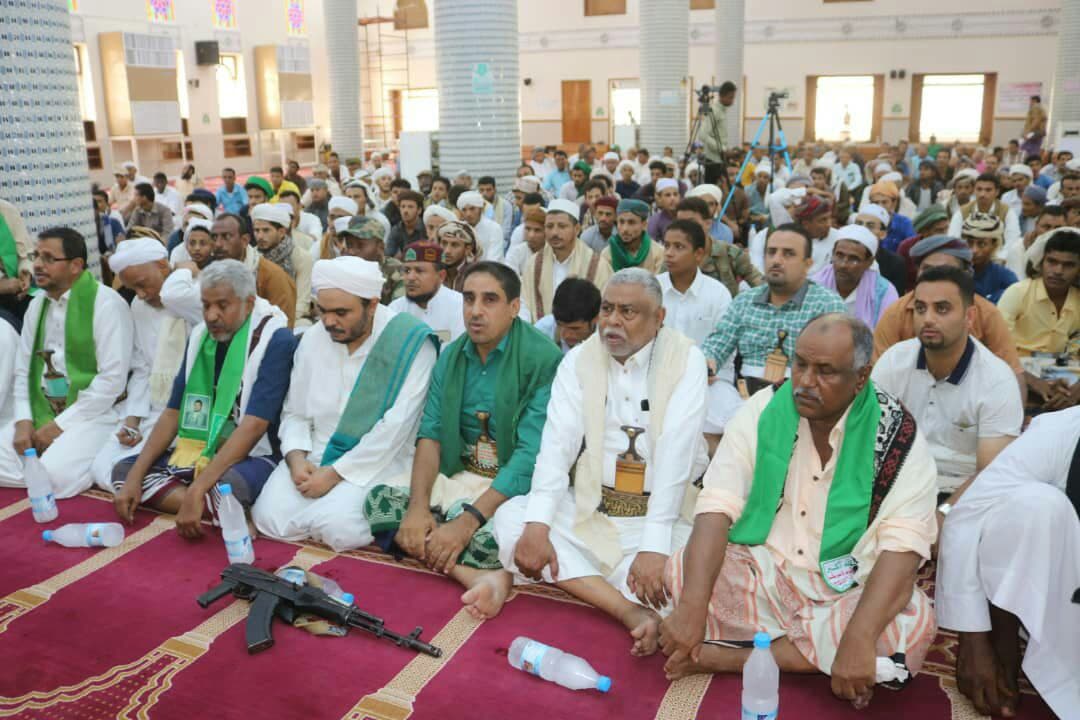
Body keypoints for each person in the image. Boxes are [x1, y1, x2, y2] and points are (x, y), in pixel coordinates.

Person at [660, 314, 938, 705]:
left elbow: (903, 549)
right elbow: (717, 504)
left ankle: (726, 657)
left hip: (850, 587)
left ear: (861, 377)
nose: (805, 381)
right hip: (766, 573)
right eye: (800, 364)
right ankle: (814, 653)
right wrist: (691, 607)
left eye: (825, 371)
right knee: (680, 572)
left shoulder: (898, 436)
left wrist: (859, 636)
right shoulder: (764, 409)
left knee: (912, 624)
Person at [494, 268, 707, 652]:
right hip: (591, 512)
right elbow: (556, 446)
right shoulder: (579, 359)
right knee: (512, 520)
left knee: (686, 581)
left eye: (628, 312)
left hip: (661, 515)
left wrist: (654, 547)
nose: (612, 321)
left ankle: (589, 580)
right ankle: (627, 609)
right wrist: (538, 525)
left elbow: (677, 457)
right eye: (607, 309)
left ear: (659, 318)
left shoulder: (685, 359)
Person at [363, 262, 562, 620]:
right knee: (380, 503)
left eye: (490, 300)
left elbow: (531, 455)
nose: (475, 311)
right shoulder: (452, 356)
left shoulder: (543, 360)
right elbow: (431, 433)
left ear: (514, 307)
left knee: (493, 539)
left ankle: (454, 548)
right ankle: (475, 574)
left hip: (513, 486)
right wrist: (418, 508)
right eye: (469, 299)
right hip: (460, 474)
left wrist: (467, 522)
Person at [253, 257, 437, 551]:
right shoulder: (313, 338)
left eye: (341, 312)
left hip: (377, 461)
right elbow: (295, 412)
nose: (329, 322)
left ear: (372, 305)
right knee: (268, 518)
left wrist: (335, 474)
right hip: (316, 454)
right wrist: (296, 459)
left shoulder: (410, 342)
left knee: (337, 528)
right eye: (322, 310)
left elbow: (396, 428)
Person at [112, 260, 295, 536]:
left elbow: (254, 426)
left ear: (248, 303)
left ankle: (207, 501)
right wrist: (135, 477)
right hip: (202, 446)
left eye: (222, 306)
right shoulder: (201, 336)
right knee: (123, 471)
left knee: (229, 486)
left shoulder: (275, 340)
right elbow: (174, 412)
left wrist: (197, 488)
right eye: (206, 305)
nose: (211, 316)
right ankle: (222, 510)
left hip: (255, 453)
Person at [935, 407, 1080, 719]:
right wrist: (973, 637)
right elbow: (968, 515)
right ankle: (1005, 636)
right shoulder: (1061, 430)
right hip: (1068, 597)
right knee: (1033, 505)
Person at [0, 227, 132, 498]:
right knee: (31, 463)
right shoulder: (37, 305)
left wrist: (59, 426)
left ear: (76, 265)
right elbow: (22, 371)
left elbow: (111, 381)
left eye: (48, 258)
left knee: (52, 476)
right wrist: (24, 420)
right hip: (43, 406)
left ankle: (77, 459)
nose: (37, 265)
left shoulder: (106, 304)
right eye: (36, 256)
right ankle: (54, 463)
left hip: (94, 412)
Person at [872, 266, 1021, 498]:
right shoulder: (894, 361)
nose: (928, 319)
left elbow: (991, 473)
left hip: (961, 493)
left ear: (969, 317)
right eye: (920, 308)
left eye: (942, 309)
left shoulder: (997, 380)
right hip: (895, 485)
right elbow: (868, 439)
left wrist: (945, 511)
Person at [90, 238, 202, 492]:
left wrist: (184, 270)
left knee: (126, 474)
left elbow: (174, 296)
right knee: (102, 469)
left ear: (163, 265)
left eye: (142, 284)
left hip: (196, 411)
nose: (140, 294)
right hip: (156, 408)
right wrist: (132, 421)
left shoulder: (194, 295)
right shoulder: (139, 306)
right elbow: (143, 368)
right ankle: (165, 485)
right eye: (132, 288)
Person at [702, 225, 846, 394]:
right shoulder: (745, 301)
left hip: (803, 395)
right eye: (771, 252)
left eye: (788, 254)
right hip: (744, 397)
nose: (776, 260)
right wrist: (706, 362)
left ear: (807, 264)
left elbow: (833, 366)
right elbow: (716, 345)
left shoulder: (827, 305)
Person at [998, 228, 1080, 408]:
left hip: (1066, 377)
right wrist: (1034, 382)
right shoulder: (1018, 292)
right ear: (1041, 262)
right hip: (1017, 372)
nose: (1058, 271)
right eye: (1052, 262)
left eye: (1068, 265)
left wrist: (1076, 390)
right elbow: (995, 348)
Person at [521, 199, 611, 320]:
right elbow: (524, 304)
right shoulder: (534, 264)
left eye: (562, 226)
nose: (554, 233)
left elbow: (606, 308)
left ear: (577, 229)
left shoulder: (597, 265)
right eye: (549, 226)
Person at [812, 224, 898, 330]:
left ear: (869, 262)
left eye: (853, 259)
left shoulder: (884, 293)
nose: (843, 265)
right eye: (839, 255)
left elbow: (885, 334)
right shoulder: (814, 285)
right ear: (832, 254)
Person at [388, 242, 466, 344]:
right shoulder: (395, 309)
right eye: (407, 271)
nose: (411, 277)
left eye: (419, 271)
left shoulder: (460, 306)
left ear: (441, 276)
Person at [251, 203, 313, 323]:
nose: (260, 236)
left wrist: (280, 322)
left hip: (292, 318)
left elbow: (302, 303)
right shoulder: (252, 257)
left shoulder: (301, 257)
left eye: (266, 230)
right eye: (256, 230)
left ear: (281, 232)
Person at [334, 215, 405, 307]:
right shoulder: (341, 270)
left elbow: (398, 309)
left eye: (360, 245)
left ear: (380, 247)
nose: (352, 251)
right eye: (349, 245)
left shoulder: (397, 271)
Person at [947, 173, 1021, 256]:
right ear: (974, 190)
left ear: (997, 192)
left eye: (988, 190)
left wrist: (998, 258)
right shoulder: (962, 212)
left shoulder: (1007, 211)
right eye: (979, 189)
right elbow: (954, 240)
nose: (982, 194)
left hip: (998, 257)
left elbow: (1012, 241)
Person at [851, 203, 908, 295]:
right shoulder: (841, 253)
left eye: (870, 226)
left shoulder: (895, 263)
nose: (863, 229)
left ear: (883, 234)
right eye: (859, 224)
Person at [534, 277, 601, 353]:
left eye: (574, 328)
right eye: (559, 325)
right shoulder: (541, 332)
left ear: (595, 319)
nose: (566, 335)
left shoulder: (607, 340)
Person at [961, 213, 1017, 304]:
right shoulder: (955, 272)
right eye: (970, 243)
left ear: (994, 245)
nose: (974, 250)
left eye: (981, 244)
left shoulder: (1004, 277)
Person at [602, 199, 665, 274]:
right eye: (621, 222)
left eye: (631, 222)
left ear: (644, 225)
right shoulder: (608, 253)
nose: (625, 229)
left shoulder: (658, 253)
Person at [456, 191, 504, 262]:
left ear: (481, 209)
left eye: (472, 209)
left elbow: (493, 258)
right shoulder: (459, 228)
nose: (468, 214)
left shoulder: (494, 228)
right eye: (464, 210)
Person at [437, 220, 479, 292]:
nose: (447, 251)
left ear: (468, 249)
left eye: (454, 245)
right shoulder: (433, 272)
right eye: (444, 243)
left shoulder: (476, 275)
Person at [505, 207, 547, 277]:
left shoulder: (554, 253)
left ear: (546, 232)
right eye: (528, 229)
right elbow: (511, 279)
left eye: (537, 230)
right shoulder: (515, 253)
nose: (531, 235)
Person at [1021, 95, 1048, 160]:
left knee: (1025, 149)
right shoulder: (1041, 108)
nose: (1029, 103)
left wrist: (1028, 132)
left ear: (1034, 100)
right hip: (1038, 132)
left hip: (1034, 132)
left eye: (1030, 101)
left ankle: (1030, 162)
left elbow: (1036, 120)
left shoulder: (1035, 107)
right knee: (1034, 149)